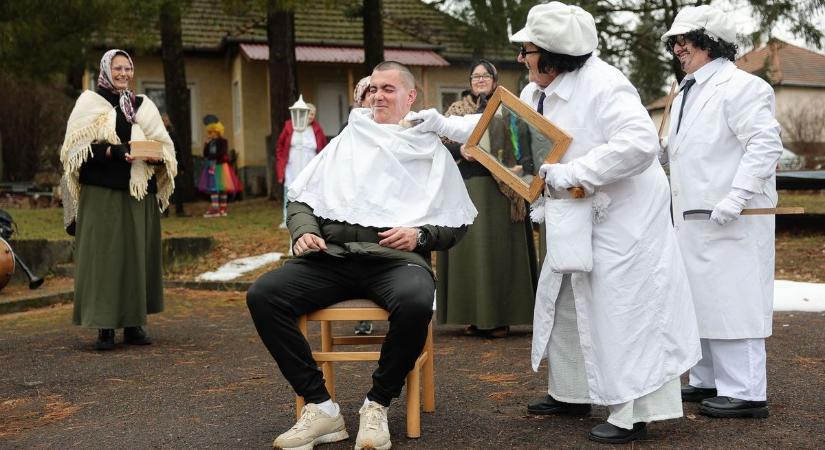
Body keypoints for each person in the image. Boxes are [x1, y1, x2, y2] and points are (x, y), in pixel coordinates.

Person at [409, 2, 700, 444]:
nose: (522, 58)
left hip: (625, 220)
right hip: (574, 213)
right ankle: (571, 392)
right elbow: (497, 127)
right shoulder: (534, 91)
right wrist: (441, 124)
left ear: (553, 54)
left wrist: (577, 171)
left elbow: (639, 144)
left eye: (527, 50)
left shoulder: (606, 85)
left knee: (620, 310)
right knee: (564, 299)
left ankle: (632, 411)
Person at [246, 61, 476, 450]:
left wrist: (420, 234)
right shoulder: (346, 141)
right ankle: (321, 408)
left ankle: (378, 403)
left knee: (417, 301)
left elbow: (457, 221)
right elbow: (301, 199)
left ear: (410, 96)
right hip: (332, 257)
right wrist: (304, 233)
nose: (378, 95)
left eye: (389, 88)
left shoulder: (428, 148)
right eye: (373, 88)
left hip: (394, 259)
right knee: (264, 295)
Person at [661, 5, 782, 419]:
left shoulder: (744, 87)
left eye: (685, 39)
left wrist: (735, 198)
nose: (678, 48)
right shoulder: (683, 92)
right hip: (692, 217)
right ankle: (706, 379)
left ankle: (746, 391)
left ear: (711, 41)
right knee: (699, 299)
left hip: (735, 217)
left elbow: (764, 146)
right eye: (674, 41)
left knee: (735, 299)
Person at [59, 49, 177, 350]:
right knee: (105, 259)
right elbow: (75, 153)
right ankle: (105, 327)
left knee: (136, 258)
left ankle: (134, 324)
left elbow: (165, 146)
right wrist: (111, 151)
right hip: (102, 194)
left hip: (139, 195)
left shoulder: (142, 105)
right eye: (118, 68)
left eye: (128, 68)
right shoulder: (89, 104)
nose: (124, 73)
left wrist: (155, 154)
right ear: (106, 71)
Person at [435, 59, 537, 339]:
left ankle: (500, 318)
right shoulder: (456, 110)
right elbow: (441, 143)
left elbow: (522, 145)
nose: (479, 80)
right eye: (474, 76)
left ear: (494, 79)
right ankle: (471, 316)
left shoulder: (508, 108)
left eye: (485, 75)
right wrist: (462, 150)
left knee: (496, 255)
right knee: (469, 255)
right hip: (465, 186)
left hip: (500, 191)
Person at [349, 75, 378, 337]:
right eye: (369, 92)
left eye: (379, 91)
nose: (374, 97)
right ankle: (361, 318)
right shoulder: (351, 131)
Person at [275, 102, 327, 228]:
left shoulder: (317, 129)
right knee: (289, 190)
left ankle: (310, 217)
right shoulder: (289, 126)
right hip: (292, 165)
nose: (310, 116)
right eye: (308, 113)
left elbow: (323, 148)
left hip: (310, 165)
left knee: (310, 191)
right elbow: (280, 145)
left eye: (313, 114)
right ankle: (287, 217)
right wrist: (281, 161)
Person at [198, 121, 241, 217]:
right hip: (211, 166)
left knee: (222, 188)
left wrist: (213, 157)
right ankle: (215, 208)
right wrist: (206, 144)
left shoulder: (223, 141)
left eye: (212, 132)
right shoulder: (210, 142)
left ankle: (223, 209)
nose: (211, 134)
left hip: (220, 166)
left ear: (217, 132)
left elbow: (222, 153)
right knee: (214, 188)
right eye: (210, 132)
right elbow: (205, 154)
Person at [162, 113, 188, 217]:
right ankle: (164, 211)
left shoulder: (173, 134)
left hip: (174, 163)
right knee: (163, 187)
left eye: (166, 121)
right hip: (162, 164)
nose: (165, 122)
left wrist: (181, 166)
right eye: (163, 121)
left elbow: (179, 150)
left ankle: (180, 211)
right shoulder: (156, 134)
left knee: (179, 187)